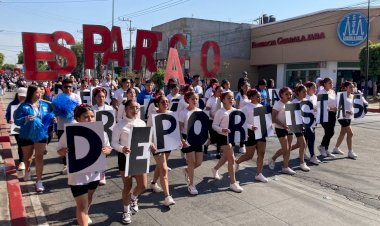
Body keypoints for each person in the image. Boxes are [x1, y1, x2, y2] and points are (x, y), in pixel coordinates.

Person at [57, 104, 112, 226]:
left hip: (94, 174)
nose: (90, 119)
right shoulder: (70, 132)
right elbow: (59, 149)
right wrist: (63, 151)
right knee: (81, 205)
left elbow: (108, 148)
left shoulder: (101, 132)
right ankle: (83, 217)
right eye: (86, 117)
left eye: (92, 116)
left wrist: (107, 151)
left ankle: (85, 215)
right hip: (77, 175)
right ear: (78, 118)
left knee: (88, 198)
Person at [112, 100, 155, 224]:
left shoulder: (142, 123)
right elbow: (114, 143)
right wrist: (122, 148)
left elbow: (145, 139)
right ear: (125, 110)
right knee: (127, 186)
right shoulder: (119, 125)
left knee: (143, 185)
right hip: (125, 157)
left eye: (137, 108)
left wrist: (151, 144)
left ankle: (133, 198)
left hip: (140, 157)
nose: (135, 110)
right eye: (131, 108)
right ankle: (126, 211)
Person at [14, 85, 55, 192]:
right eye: (37, 92)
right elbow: (17, 121)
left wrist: (52, 119)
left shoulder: (45, 105)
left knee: (39, 157)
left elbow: (47, 118)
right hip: (26, 135)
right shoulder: (23, 106)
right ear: (31, 93)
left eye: (40, 92)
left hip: (41, 135)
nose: (40, 94)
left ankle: (39, 181)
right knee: (27, 158)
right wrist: (25, 118)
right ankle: (27, 171)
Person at [211, 91, 244, 192]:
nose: (231, 99)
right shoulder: (220, 112)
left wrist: (249, 129)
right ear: (223, 100)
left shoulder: (235, 110)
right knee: (232, 159)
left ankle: (215, 169)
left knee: (226, 156)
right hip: (224, 137)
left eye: (232, 98)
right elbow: (214, 125)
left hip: (233, 137)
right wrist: (222, 129)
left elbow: (241, 124)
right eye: (229, 98)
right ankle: (233, 183)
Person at [146, 96, 176, 206]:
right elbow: (147, 131)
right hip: (156, 146)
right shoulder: (152, 116)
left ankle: (153, 183)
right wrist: (150, 143)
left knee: (160, 166)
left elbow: (174, 130)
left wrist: (179, 140)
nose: (165, 103)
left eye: (167, 101)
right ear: (157, 104)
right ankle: (167, 196)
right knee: (164, 169)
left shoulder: (171, 113)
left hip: (167, 145)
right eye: (163, 102)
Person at [235, 89, 268, 182]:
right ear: (252, 97)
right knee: (249, 155)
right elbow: (241, 121)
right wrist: (250, 127)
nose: (260, 98)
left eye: (260, 96)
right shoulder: (246, 107)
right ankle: (236, 162)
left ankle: (259, 174)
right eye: (257, 96)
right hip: (250, 133)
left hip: (261, 132)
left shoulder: (261, 106)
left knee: (261, 153)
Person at [53, 78, 82, 174]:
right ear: (62, 87)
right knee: (64, 147)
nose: (68, 88)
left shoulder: (76, 97)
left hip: (74, 125)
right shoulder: (57, 97)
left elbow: (80, 110)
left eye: (70, 86)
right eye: (66, 87)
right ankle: (66, 165)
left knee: (76, 145)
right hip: (62, 126)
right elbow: (55, 112)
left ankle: (75, 163)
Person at [178, 91, 204, 195]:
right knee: (192, 162)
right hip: (187, 137)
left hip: (197, 138)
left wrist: (207, 137)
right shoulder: (183, 112)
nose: (195, 101)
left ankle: (187, 170)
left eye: (196, 99)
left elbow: (203, 126)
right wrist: (182, 139)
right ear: (187, 100)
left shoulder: (200, 111)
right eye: (193, 99)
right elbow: (179, 128)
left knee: (199, 162)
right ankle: (191, 185)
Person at [268, 87, 296, 175]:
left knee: (289, 147)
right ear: (281, 95)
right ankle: (273, 158)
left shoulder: (290, 104)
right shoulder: (278, 104)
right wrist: (283, 125)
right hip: (280, 128)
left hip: (289, 128)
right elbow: (273, 118)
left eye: (290, 94)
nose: (289, 96)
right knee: (285, 148)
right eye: (287, 94)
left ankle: (285, 167)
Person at [332, 81, 358, 159]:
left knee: (342, 133)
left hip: (349, 117)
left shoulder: (352, 96)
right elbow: (336, 107)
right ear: (345, 88)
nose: (352, 88)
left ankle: (336, 148)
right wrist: (346, 111)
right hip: (341, 117)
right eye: (351, 87)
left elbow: (352, 106)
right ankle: (350, 152)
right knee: (350, 133)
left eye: (353, 87)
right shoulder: (341, 95)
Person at [288, 85, 310, 171]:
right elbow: (291, 117)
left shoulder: (307, 101)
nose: (305, 93)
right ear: (298, 93)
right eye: (303, 92)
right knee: (303, 144)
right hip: (296, 126)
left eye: (306, 91)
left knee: (298, 145)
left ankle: (276, 156)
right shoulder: (294, 102)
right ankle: (302, 163)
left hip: (303, 125)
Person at [6, 87, 27, 171]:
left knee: (27, 144)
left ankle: (26, 158)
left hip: (28, 127)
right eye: (20, 96)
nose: (22, 98)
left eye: (24, 96)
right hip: (16, 127)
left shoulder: (30, 103)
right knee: (20, 143)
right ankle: (21, 161)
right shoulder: (12, 104)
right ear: (17, 95)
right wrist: (9, 120)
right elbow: (8, 114)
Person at [318, 77, 337, 158]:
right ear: (325, 84)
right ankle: (322, 147)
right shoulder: (321, 93)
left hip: (333, 114)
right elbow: (321, 106)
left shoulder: (332, 91)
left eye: (332, 83)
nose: (331, 84)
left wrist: (337, 108)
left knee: (330, 132)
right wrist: (332, 109)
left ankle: (326, 148)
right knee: (330, 131)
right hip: (325, 114)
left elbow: (335, 102)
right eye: (330, 83)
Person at [305, 82, 321, 165]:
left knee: (308, 139)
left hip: (313, 121)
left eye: (316, 88)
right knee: (311, 138)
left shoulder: (315, 97)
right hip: (305, 121)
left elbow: (315, 108)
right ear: (307, 88)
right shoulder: (304, 97)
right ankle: (313, 156)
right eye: (313, 88)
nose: (315, 89)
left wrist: (316, 117)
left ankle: (304, 154)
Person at [205, 85, 223, 158]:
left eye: (222, 91)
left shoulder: (221, 99)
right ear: (215, 91)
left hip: (220, 121)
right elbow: (207, 110)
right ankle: (206, 146)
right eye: (219, 91)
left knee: (219, 137)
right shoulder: (210, 100)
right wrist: (214, 117)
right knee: (213, 138)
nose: (221, 92)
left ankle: (218, 153)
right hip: (211, 121)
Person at [235, 81, 250, 153]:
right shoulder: (239, 95)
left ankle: (246, 144)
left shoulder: (249, 95)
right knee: (242, 131)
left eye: (248, 86)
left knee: (247, 131)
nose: (247, 88)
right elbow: (237, 106)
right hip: (241, 115)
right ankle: (241, 146)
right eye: (245, 86)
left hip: (249, 115)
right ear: (241, 87)